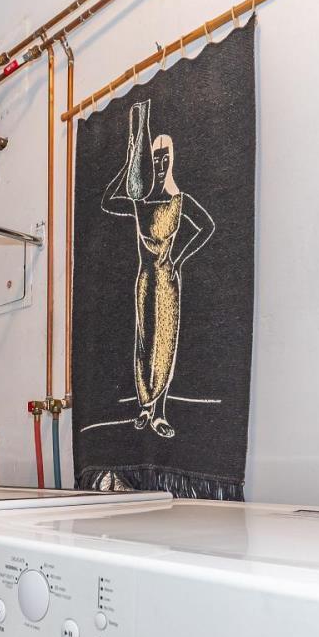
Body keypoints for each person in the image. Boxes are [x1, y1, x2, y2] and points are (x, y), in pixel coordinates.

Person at [102, 99, 216, 438]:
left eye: (166, 157)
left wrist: (179, 258)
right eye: (155, 158)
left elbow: (206, 227)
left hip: (167, 280)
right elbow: (108, 201)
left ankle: (159, 412)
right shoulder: (140, 203)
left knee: (164, 344)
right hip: (145, 280)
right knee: (143, 342)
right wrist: (128, 163)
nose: (161, 163)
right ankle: (145, 406)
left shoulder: (179, 202)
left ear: (174, 160)